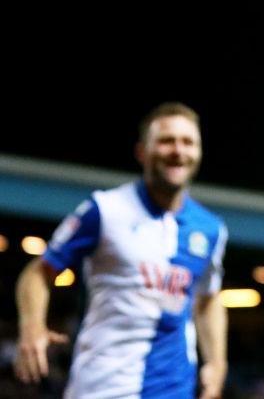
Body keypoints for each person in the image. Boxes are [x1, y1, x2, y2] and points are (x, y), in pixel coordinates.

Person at [14, 102, 229, 398]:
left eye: (188, 142)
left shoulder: (210, 229)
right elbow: (38, 272)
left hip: (174, 387)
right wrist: (32, 327)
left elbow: (208, 298)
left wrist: (217, 362)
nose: (178, 150)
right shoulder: (105, 210)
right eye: (166, 141)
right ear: (142, 152)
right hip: (103, 386)